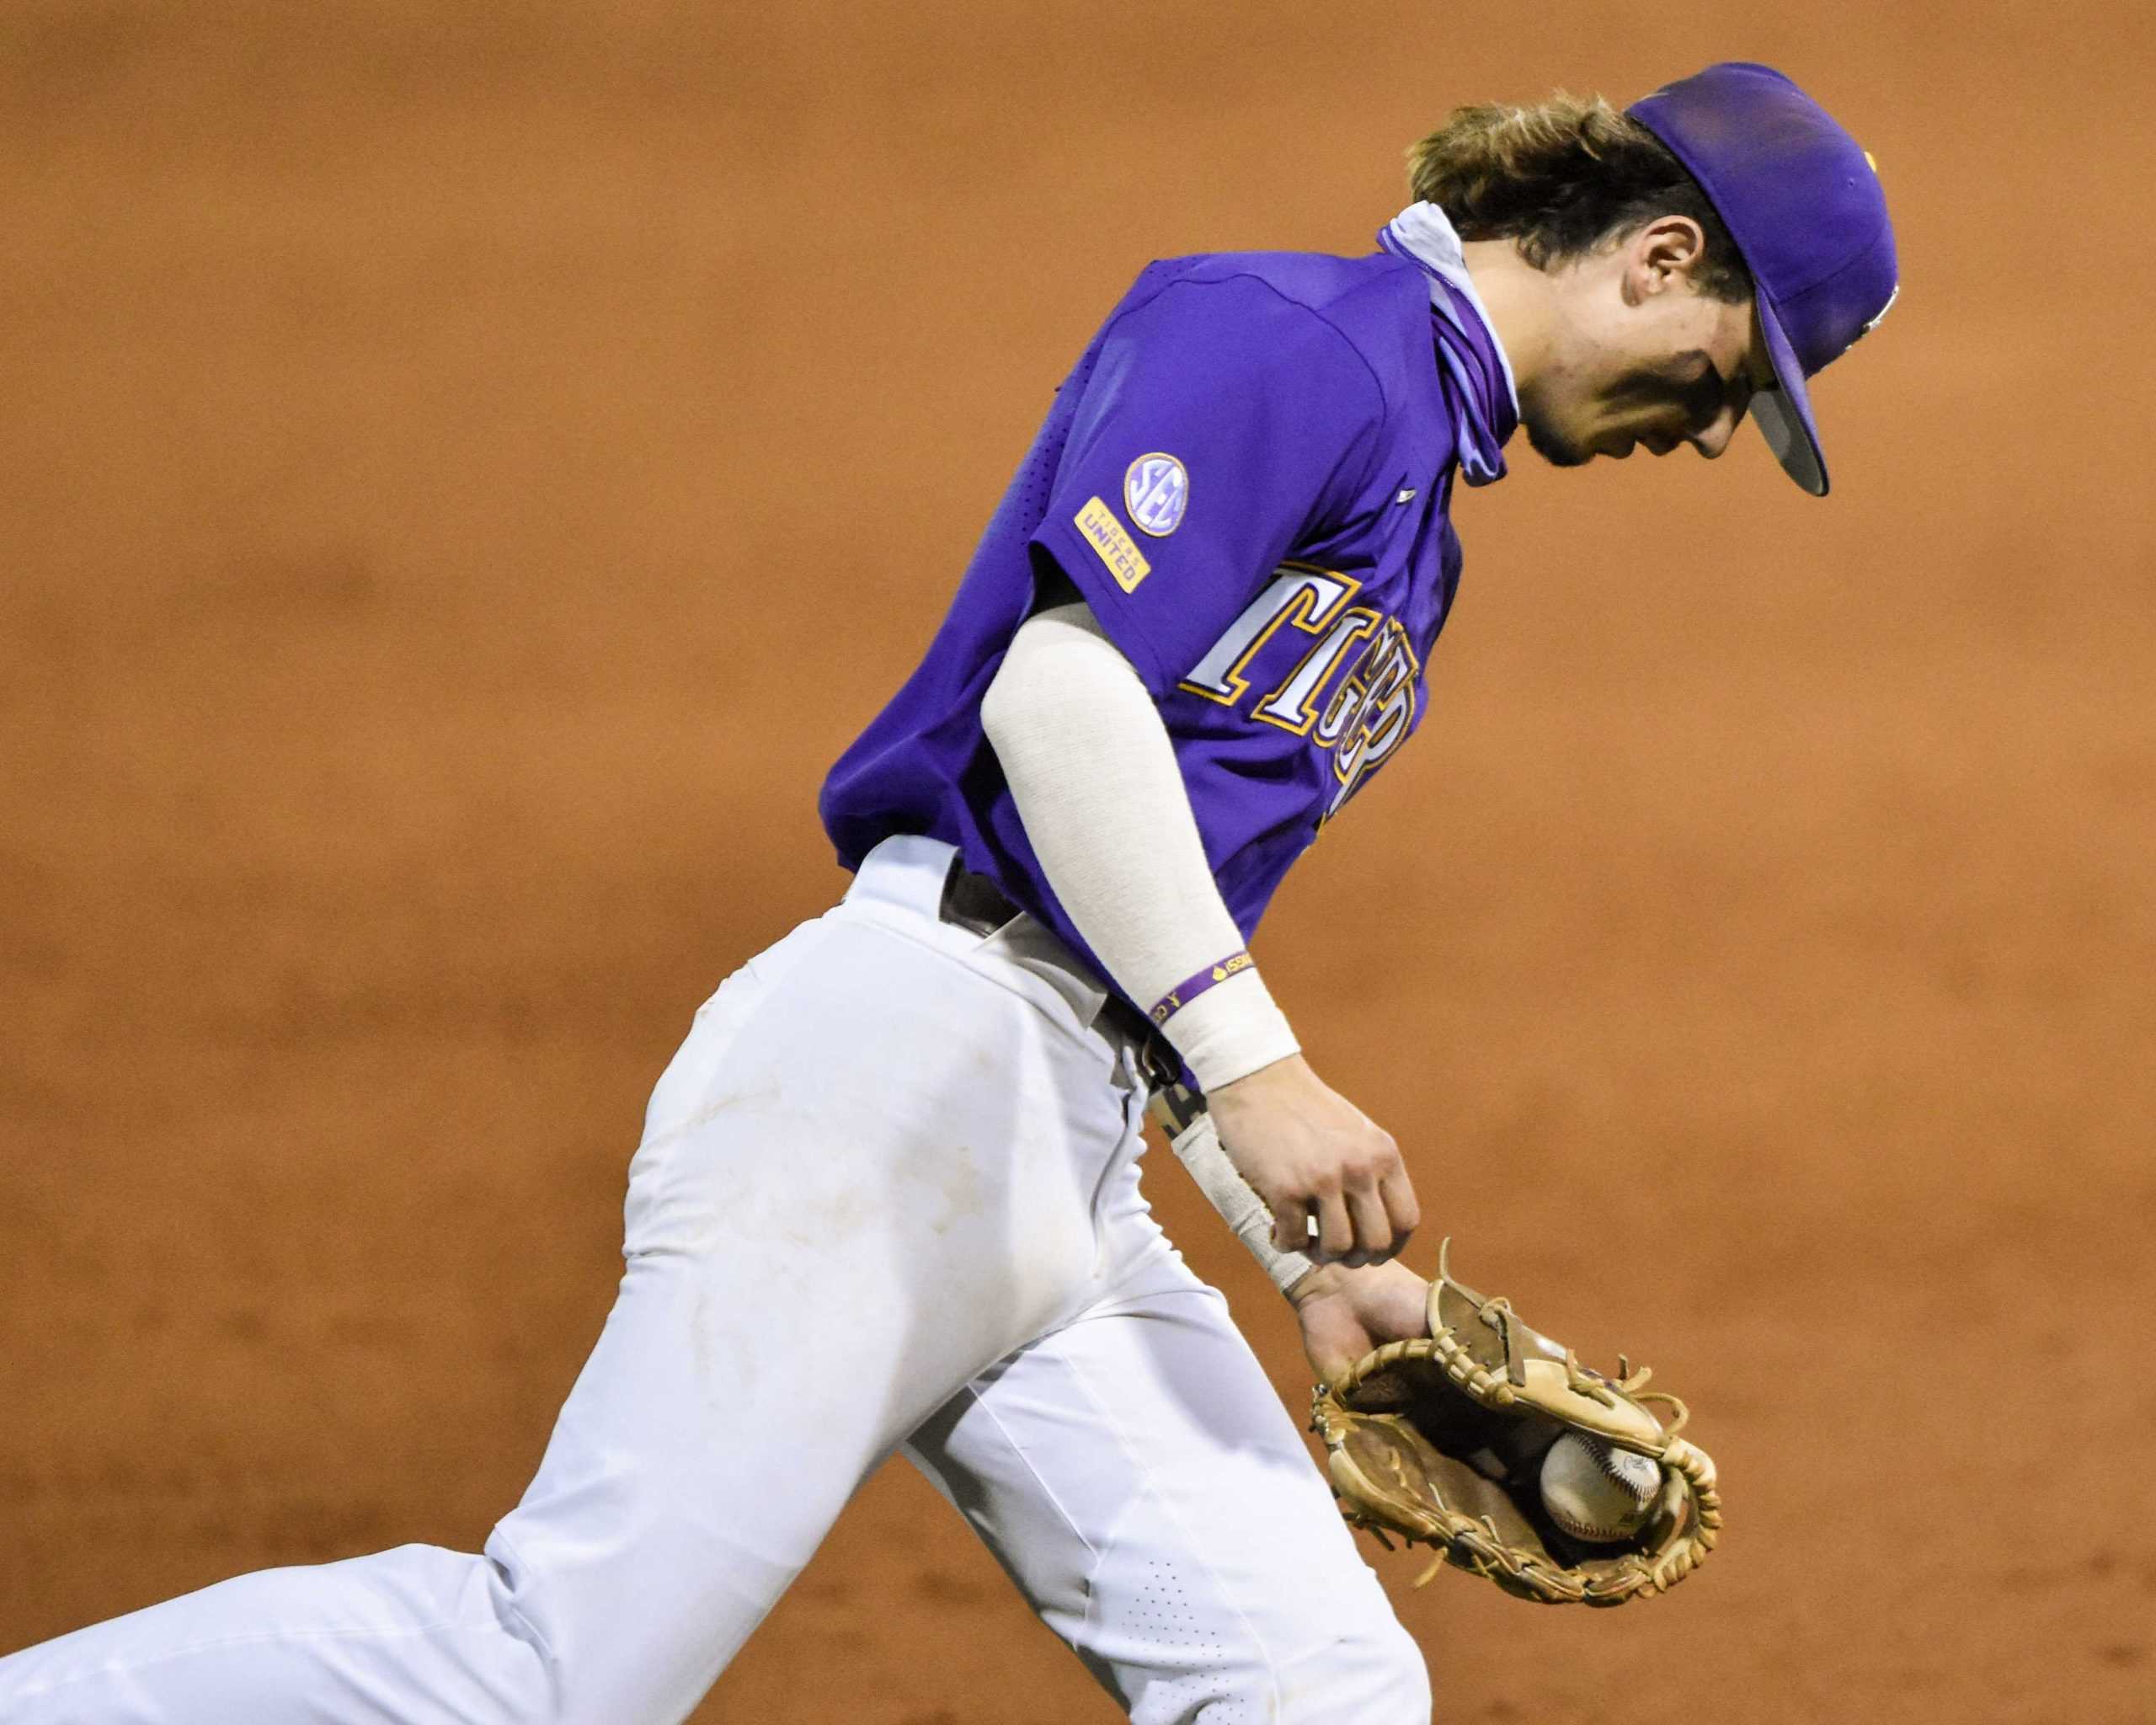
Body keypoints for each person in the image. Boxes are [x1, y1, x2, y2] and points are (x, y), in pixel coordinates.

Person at [0, 60, 1896, 1725]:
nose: (1711, 431)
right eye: (1730, 377)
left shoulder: (1422, 516)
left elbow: (1138, 932)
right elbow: (1054, 689)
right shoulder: (1294, 340)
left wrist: (1307, 1259)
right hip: (889, 1079)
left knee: (1313, 1683)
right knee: (550, 1672)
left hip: (1055, 1157)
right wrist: (1261, 1065)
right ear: (1656, 255)